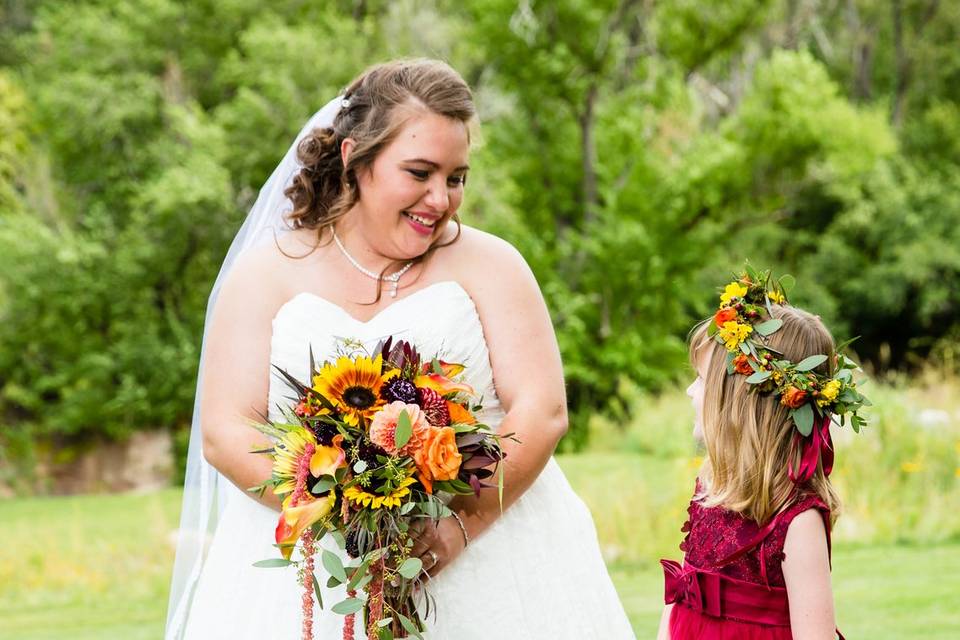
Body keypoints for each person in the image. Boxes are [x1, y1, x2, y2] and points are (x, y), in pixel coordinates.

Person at [165, 58, 635, 639]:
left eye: (456, 177)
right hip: (309, 568)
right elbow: (226, 430)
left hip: (492, 551)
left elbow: (541, 411)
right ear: (353, 160)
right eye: (419, 172)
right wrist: (346, 511)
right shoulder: (264, 276)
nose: (440, 198)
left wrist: (458, 528)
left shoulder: (493, 265)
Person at [658, 271, 867, 640]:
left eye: (702, 380)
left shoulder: (797, 522)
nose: (691, 391)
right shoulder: (711, 490)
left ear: (742, 405)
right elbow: (680, 597)